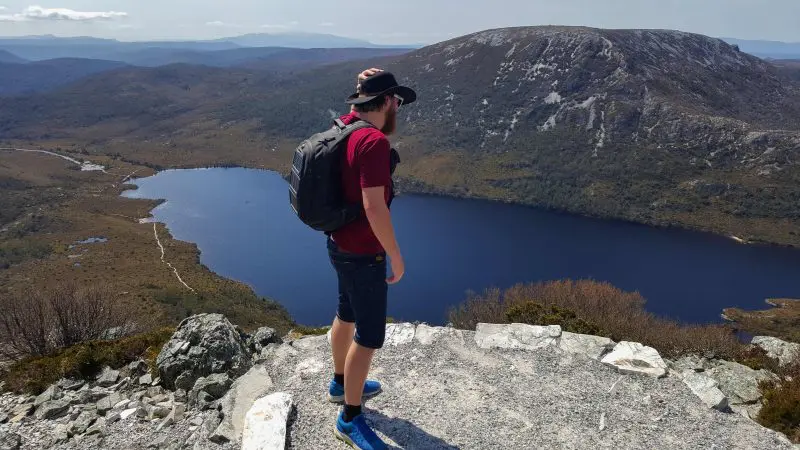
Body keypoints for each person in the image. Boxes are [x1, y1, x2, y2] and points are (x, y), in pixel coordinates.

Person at [327, 69, 416, 450]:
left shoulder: (345, 126)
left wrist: (364, 87)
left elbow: (354, 108)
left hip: (337, 243)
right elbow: (374, 207)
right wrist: (394, 255)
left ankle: (339, 382)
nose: (398, 107)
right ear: (385, 102)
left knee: (345, 313)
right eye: (396, 100)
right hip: (364, 253)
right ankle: (349, 416)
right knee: (369, 337)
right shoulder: (374, 142)